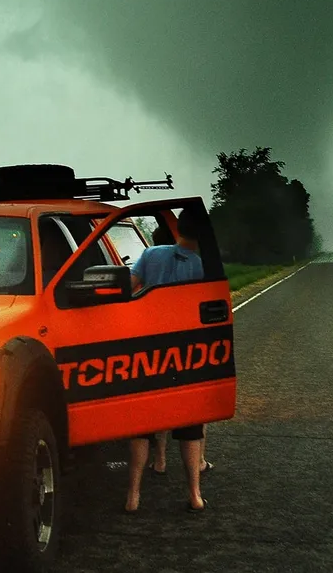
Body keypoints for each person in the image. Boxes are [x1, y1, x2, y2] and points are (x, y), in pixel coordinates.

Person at [124, 210, 210, 514]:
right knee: (190, 426)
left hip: (148, 349)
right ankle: (195, 494)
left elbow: (128, 286)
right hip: (186, 352)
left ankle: (133, 495)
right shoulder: (204, 265)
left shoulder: (151, 254)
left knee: (142, 423)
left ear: (178, 228)